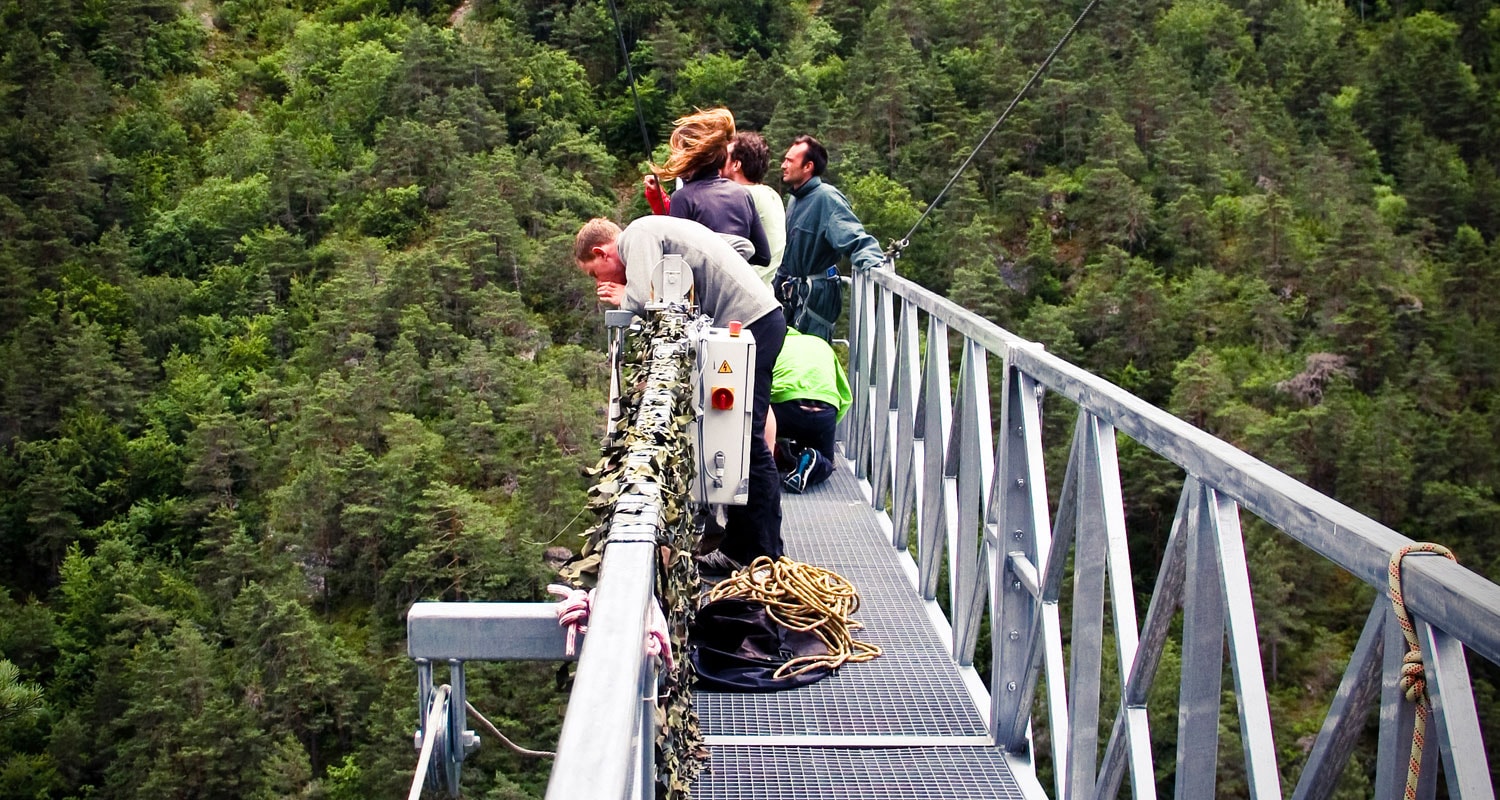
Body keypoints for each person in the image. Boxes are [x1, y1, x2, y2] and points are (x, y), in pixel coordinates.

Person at [574, 215, 786, 570]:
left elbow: (645, 300)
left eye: (595, 274)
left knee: (747, 441)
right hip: (759, 321)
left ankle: (763, 553)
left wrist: (622, 295)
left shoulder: (636, 236)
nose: (600, 283)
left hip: (753, 322)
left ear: (602, 252)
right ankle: (746, 547)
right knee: (741, 440)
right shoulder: (656, 229)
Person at [776, 134, 886, 341]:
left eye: (790, 160)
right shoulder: (795, 200)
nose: (783, 165)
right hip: (795, 295)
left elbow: (854, 237)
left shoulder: (826, 198)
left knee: (813, 356)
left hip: (817, 296)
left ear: (808, 167)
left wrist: (875, 263)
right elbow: (790, 252)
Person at [642, 108, 771, 268]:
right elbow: (763, 256)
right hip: (735, 289)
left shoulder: (683, 198)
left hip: (704, 291)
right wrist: (731, 260)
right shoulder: (742, 194)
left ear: (690, 158)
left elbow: (674, 264)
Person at [768, 327, 851, 494]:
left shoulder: (776, 343)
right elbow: (846, 396)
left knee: (766, 429)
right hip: (825, 409)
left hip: (786, 406)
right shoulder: (822, 345)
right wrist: (828, 427)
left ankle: (772, 456)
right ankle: (813, 458)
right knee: (827, 461)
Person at [720, 131, 786, 287]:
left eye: (725, 157)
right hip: (764, 292)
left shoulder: (741, 195)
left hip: (743, 293)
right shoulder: (770, 194)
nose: (719, 161)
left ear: (736, 165)